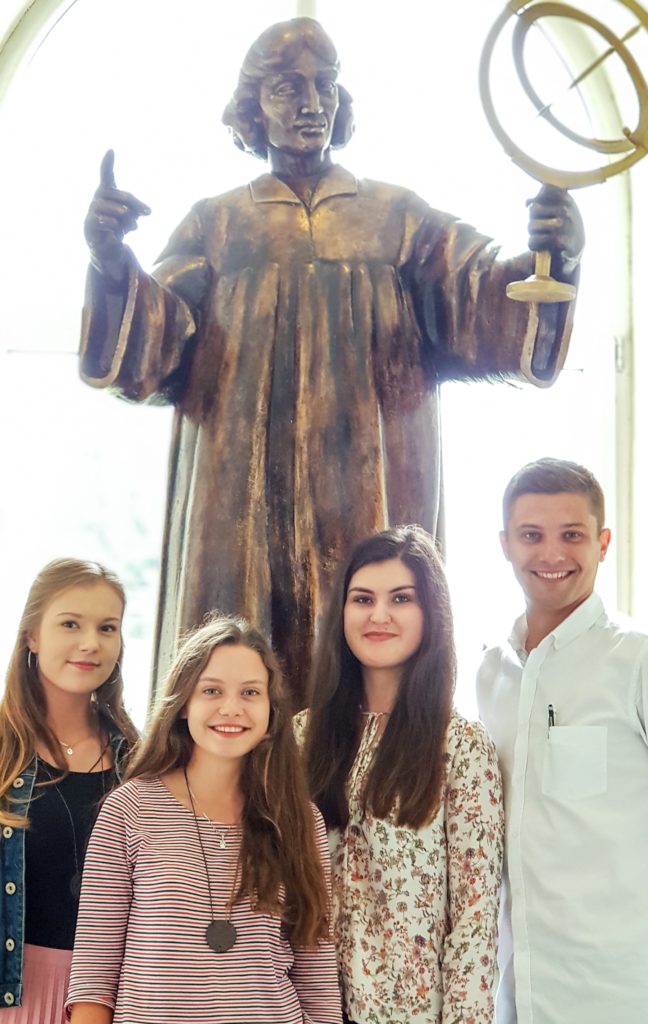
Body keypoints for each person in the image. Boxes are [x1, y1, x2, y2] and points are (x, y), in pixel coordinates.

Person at [79, 17, 585, 705]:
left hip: (367, 486)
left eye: (325, 85)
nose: (312, 103)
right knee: (238, 654)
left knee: (369, 641)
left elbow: (484, 299)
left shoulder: (396, 218)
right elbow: (154, 347)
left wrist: (558, 253)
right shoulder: (217, 225)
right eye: (289, 89)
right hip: (240, 496)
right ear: (253, 107)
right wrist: (112, 263)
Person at [66, 614, 342, 1024]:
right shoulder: (129, 809)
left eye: (250, 692)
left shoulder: (300, 819)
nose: (231, 708)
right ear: (183, 704)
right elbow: (93, 977)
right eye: (211, 690)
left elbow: (317, 978)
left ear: (271, 710)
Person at [296, 525, 504, 1024]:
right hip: (302, 1005)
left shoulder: (460, 746)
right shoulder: (299, 736)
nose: (379, 615)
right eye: (363, 599)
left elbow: (475, 921)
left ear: (431, 613)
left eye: (401, 598)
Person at [477, 458, 648, 1024]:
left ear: (603, 543)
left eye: (572, 535)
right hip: (515, 993)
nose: (551, 554)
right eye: (531, 535)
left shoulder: (638, 661)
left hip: (620, 992)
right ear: (505, 544)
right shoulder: (490, 673)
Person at [0, 558, 138, 1021]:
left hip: (113, 998)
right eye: (70, 624)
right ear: (32, 636)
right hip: (14, 993)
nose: (90, 643)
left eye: (107, 628)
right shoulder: (3, 753)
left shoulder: (142, 762)